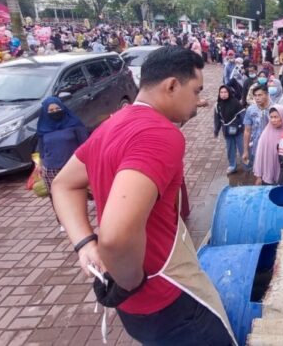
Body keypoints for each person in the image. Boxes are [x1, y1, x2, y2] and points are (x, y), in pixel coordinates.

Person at [51, 47, 234, 345]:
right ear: (172, 85)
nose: (198, 101)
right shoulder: (159, 135)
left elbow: (63, 184)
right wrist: (129, 282)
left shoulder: (112, 124)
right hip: (165, 296)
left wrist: (84, 243)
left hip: (135, 308)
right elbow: (115, 237)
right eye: (196, 90)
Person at [37, 96, 88, 227]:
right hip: (51, 168)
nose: (55, 112)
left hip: (72, 166)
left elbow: (85, 144)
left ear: (63, 108)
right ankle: (63, 221)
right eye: (51, 110)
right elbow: (41, 149)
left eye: (57, 108)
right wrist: (39, 165)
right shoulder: (43, 128)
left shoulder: (74, 124)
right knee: (56, 196)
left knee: (78, 193)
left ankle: (80, 220)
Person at [253, 105, 283, 185]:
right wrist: (259, 176)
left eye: (276, 117)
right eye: (271, 117)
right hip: (268, 175)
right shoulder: (266, 134)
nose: (273, 120)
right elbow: (259, 156)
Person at [214, 85, 246, 175]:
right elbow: (217, 119)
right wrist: (216, 130)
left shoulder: (235, 103)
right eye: (221, 92)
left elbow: (243, 115)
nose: (223, 94)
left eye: (225, 92)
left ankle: (247, 165)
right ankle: (232, 166)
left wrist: (243, 127)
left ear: (229, 93)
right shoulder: (218, 105)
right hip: (227, 131)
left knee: (242, 148)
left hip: (239, 130)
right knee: (230, 149)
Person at [243, 85, 271, 168]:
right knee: (257, 171)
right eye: (255, 95)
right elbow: (247, 131)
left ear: (266, 94)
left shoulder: (274, 108)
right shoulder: (251, 109)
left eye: (260, 95)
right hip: (256, 146)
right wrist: (245, 150)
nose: (257, 98)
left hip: (271, 147)